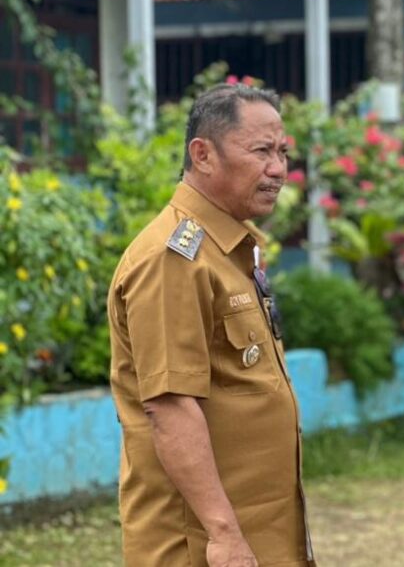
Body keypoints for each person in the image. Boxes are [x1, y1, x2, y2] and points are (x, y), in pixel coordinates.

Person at [108, 83, 314, 567]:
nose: (277, 169)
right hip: (202, 543)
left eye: (282, 152)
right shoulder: (173, 259)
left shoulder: (228, 251)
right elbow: (170, 406)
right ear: (202, 154)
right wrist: (223, 534)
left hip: (259, 530)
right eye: (261, 151)